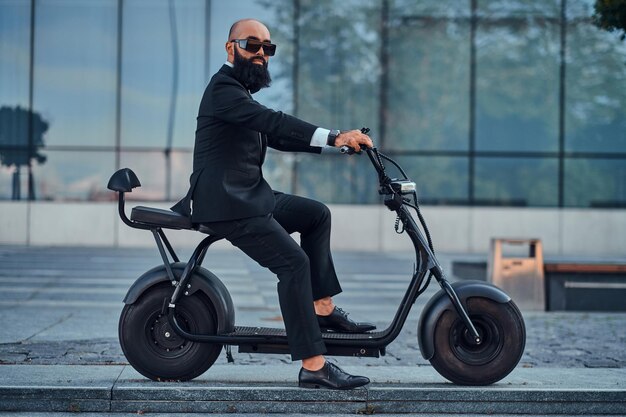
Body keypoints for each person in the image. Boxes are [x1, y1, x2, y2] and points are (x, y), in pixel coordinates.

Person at [174, 18, 375, 390]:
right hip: (227, 205)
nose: (262, 54)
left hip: (250, 195)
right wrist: (333, 136)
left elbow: (276, 135)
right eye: (253, 45)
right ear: (230, 48)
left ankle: (322, 309)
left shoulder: (240, 96)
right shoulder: (223, 90)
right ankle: (313, 366)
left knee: (315, 214)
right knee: (294, 264)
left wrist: (339, 144)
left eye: (269, 48)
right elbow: (274, 121)